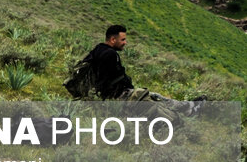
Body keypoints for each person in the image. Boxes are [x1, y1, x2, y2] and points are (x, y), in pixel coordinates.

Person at [66, 25, 204, 115]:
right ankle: (189, 109)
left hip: (101, 96)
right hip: (115, 98)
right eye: (123, 39)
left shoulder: (98, 48)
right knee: (153, 97)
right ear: (113, 39)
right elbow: (110, 80)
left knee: (152, 97)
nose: (125, 43)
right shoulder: (110, 55)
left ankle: (189, 107)